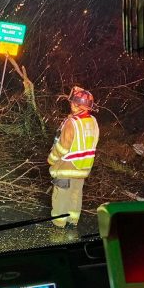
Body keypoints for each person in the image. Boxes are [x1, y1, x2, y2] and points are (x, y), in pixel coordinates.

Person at [47, 86, 99, 228]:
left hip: (66, 168)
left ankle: (58, 225)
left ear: (78, 105)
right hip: (82, 168)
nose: (70, 104)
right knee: (76, 196)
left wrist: (51, 159)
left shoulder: (72, 124)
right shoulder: (93, 121)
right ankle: (73, 221)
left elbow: (62, 147)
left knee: (61, 197)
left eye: (72, 102)